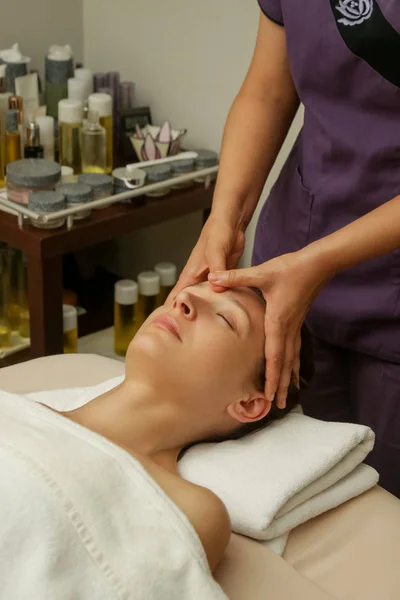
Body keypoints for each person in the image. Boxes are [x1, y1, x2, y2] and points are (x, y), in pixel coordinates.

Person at [171, 2, 400, 497]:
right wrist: (224, 217)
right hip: (294, 254)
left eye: (226, 319)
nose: (183, 303)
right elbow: (268, 91)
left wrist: (319, 260)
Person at [29, 283, 309, 574]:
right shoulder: (17, 411)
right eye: (193, 290)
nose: (183, 298)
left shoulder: (187, 511)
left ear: (249, 404)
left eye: (225, 318)